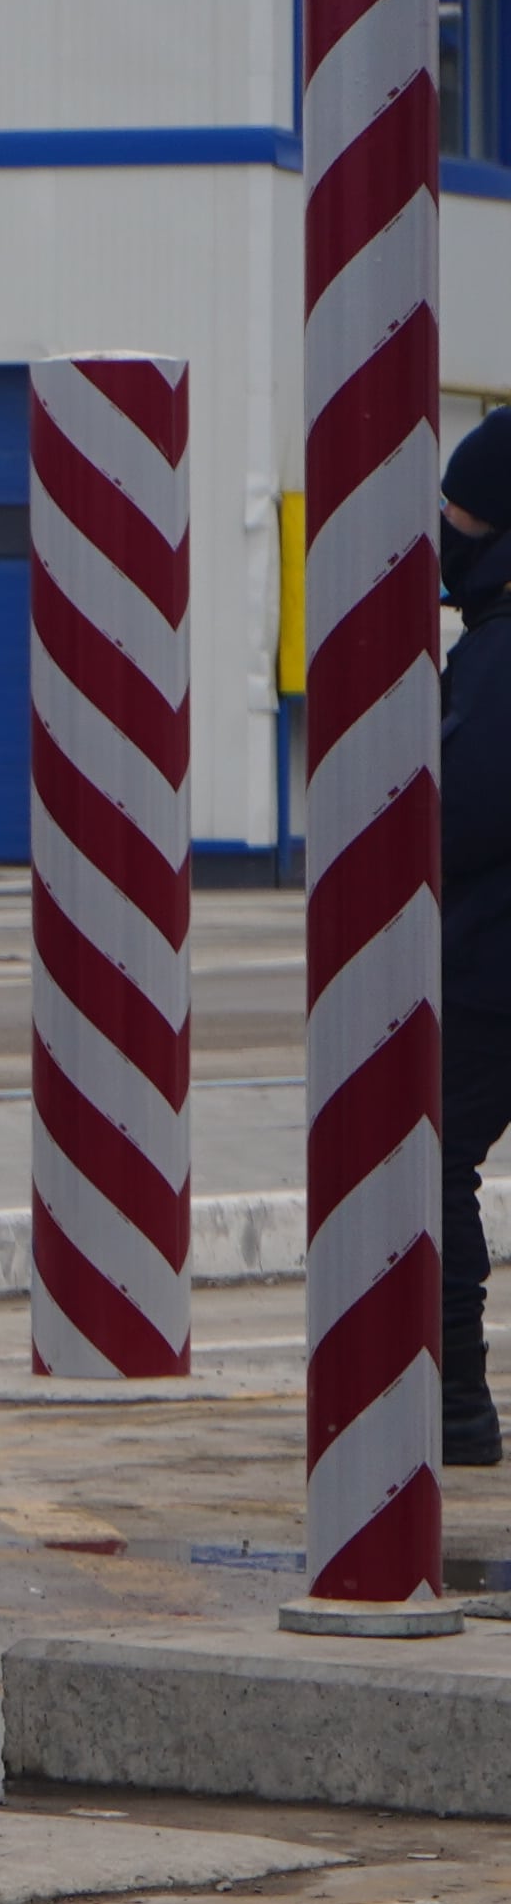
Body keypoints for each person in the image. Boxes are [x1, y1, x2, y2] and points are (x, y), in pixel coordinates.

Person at [440, 414, 511, 1467]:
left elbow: (467, 806)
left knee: (425, 1161)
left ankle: (451, 1399)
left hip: (496, 965)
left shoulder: (501, 644)